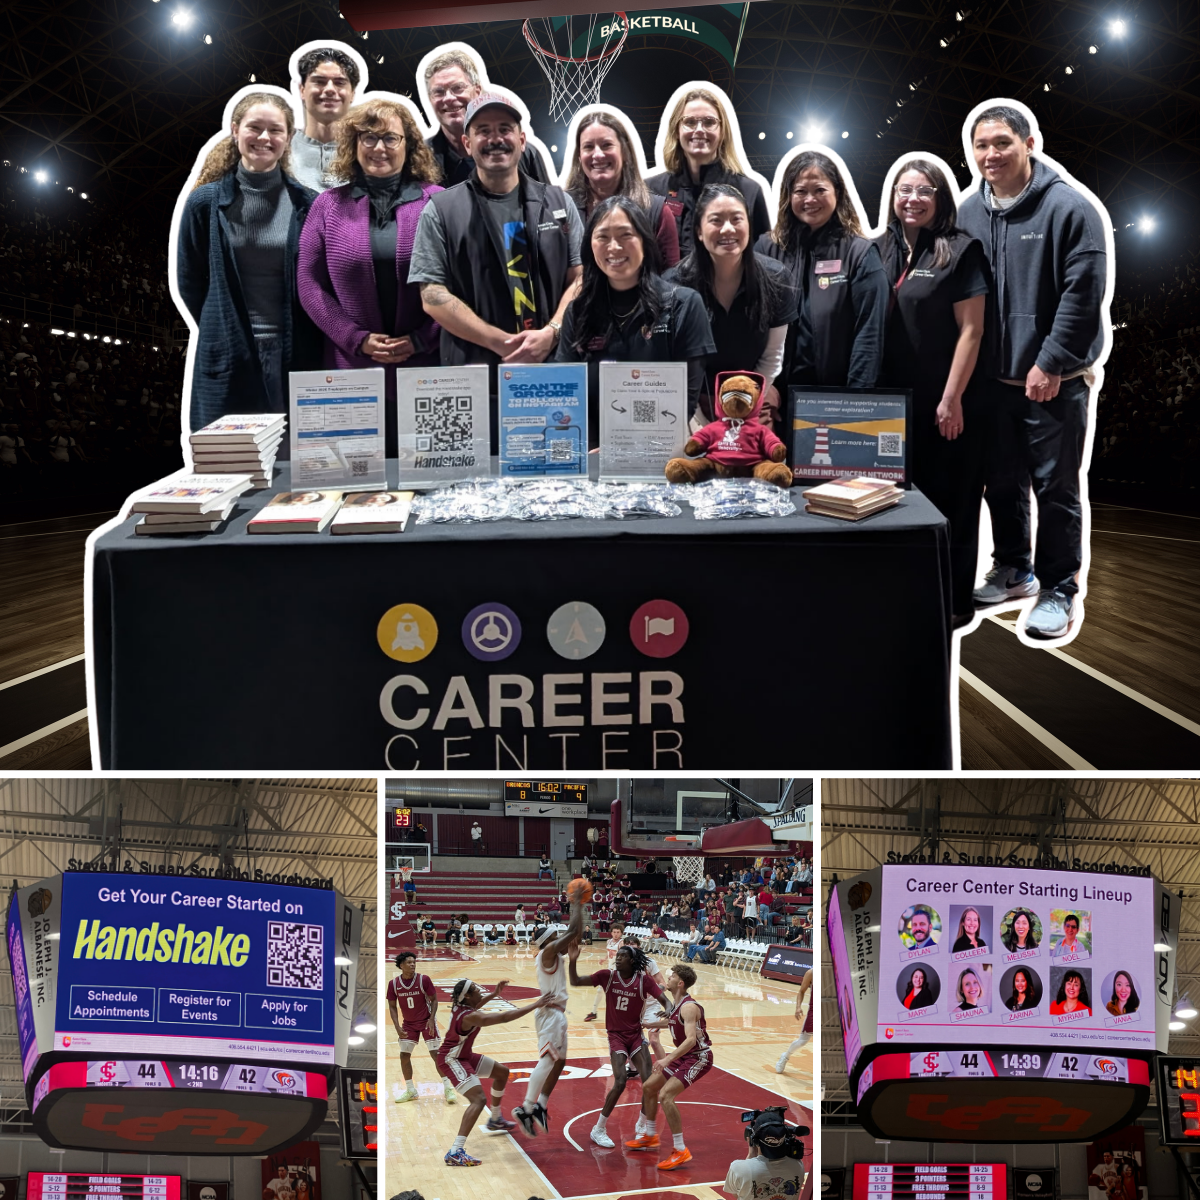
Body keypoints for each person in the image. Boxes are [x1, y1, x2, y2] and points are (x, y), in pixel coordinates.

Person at [959, 105, 1109, 639]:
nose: (990, 154)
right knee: (1001, 484)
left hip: (1054, 383)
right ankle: (1013, 569)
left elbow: (1082, 295)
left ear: (1029, 143)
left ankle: (1060, 588)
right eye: (981, 145)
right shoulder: (968, 212)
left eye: (1002, 142)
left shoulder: (1070, 208)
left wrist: (1051, 361)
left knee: (1056, 490)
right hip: (993, 383)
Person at [875, 158, 990, 623]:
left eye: (924, 191)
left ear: (940, 198)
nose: (913, 199)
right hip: (890, 407)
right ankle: (905, 600)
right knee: (895, 505)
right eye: (905, 190)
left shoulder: (961, 250)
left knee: (951, 504)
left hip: (946, 405)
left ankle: (953, 605)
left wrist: (951, 397)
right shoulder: (877, 249)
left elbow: (972, 331)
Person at [410, 91, 583, 395]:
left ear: (522, 140)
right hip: (474, 375)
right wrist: (501, 343)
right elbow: (432, 294)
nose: (495, 139)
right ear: (467, 143)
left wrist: (552, 332)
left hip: (553, 369)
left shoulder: (559, 203)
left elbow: (580, 277)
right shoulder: (440, 210)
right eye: (483, 131)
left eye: (505, 129)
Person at [297, 98, 442, 459]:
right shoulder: (327, 205)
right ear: (354, 143)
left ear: (408, 144)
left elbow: (461, 284)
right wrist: (355, 339)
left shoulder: (438, 202)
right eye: (369, 137)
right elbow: (309, 284)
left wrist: (423, 339)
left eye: (390, 138)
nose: (379, 148)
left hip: (428, 370)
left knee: (430, 474)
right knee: (357, 479)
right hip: (352, 371)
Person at [177, 92, 321, 432]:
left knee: (295, 457)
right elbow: (190, 281)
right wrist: (222, 324)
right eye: (254, 127)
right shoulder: (204, 203)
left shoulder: (309, 204)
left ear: (289, 138)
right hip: (230, 352)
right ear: (235, 130)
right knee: (230, 459)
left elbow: (318, 280)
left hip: (294, 353)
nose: (264, 137)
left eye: (276, 130)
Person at [665, 183, 797, 430]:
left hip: (752, 401)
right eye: (716, 220)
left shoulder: (777, 278)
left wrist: (746, 407)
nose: (728, 229)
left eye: (737, 219)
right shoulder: (674, 286)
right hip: (691, 407)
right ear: (699, 231)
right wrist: (697, 419)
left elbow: (772, 357)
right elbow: (672, 364)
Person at [757, 150, 888, 389]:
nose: (810, 199)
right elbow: (751, 326)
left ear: (837, 192)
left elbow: (869, 334)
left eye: (820, 190)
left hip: (835, 395)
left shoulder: (860, 253)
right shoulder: (766, 248)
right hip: (775, 394)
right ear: (788, 196)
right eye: (800, 191)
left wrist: (855, 399)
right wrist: (763, 387)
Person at [436, 978, 550, 1165]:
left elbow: (477, 1004)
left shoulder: (462, 1007)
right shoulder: (470, 1017)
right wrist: (536, 1004)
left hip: (464, 1055)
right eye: (475, 989)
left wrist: (494, 994)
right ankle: (455, 1151)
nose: (480, 990)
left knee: (502, 1073)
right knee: (479, 1100)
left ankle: (495, 1119)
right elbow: (504, 1018)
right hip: (452, 1059)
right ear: (468, 996)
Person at [647, 88, 770, 261]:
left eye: (709, 122)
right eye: (690, 122)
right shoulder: (651, 190)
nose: (699, 129)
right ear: (676, 130)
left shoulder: (749, 191)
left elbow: (762, 260)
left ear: (722, 131)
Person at [568, 939, 664, 1149]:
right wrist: (573, 961)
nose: (617, 959)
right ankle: (598, 1129)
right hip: (617, 1036)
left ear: (632, 961)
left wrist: (670, 1016)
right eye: (617, 955)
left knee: (650, 1083)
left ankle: (642, 1126)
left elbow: (665, 1001)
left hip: (636, 1035)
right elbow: (575, 981)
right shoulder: (608, 976)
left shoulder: (644, 981)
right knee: (620, 1082)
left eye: (622, 956)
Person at [564, 110, 680, 268]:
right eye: (588, 147)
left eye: (606, 145)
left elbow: (671, 277)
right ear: (579, 156)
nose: (597, 154)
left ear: (624, 151)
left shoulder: (657, 211)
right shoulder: (563, 209)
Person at [510, 898, 587, 1137]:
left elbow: (575, 935)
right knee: (547, 1061)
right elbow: (573, 932)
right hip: (550, 1014)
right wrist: (577, 903)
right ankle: (526, 1108)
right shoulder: (547, 952)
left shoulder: (555, 955)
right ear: (549, 941)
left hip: (557, 1013)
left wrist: (573, 960)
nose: (561, 939)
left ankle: (541, 1106)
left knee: (560, 1062)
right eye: (556, 937)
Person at [420, 50, 548, 188]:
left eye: (457, 88)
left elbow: (547, 200)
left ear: (477, 91)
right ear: (430, 99)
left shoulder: (524, 153)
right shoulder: (418, 159)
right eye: (438, 92)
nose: (448, 98)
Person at [629, 963, 712, 1170]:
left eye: (672, 976)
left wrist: (666, 1059)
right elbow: (673, 1022)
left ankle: (680, 1150)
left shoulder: (689, 1007)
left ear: (680, 983)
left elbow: (691, 1040)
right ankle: (650, 1135)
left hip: (698, 1057)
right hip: (684, 1056)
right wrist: (650, 1025)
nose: (668, 978)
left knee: (666, 1095)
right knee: (649, 1087)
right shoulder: (677, 1004)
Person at [389, 950, 458, 1103]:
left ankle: (448, 1088)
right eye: (409, 962)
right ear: (401, 965)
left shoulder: (423, 979)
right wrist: (397, 1026)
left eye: (414, 962)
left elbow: (434, 1000)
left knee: (435, 1054)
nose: (412, 965)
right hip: (408, 1024)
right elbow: (392, 1006)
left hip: (426, 1021)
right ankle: (411, 1090)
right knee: (404, 1055)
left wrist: (432, 1019)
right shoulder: (393, 984)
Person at [290, 47, 359, 192]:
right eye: (319, 81)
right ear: (302, 90)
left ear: (352, 94)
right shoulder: (280, 149)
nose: (330, 89)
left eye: (340, 82)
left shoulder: (368, 152)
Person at [724, 1108, 811, 1200]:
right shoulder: (798, 1165)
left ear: (754, 1140)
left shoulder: (738, 1168)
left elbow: (737, 1195)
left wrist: (751, 1154)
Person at [585, 919, 627, 1021]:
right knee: (601, 990)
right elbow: (609, 953)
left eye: (618, 932)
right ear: (611, 932)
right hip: (610, 968)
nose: (616, 934)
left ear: (621, 933)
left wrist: (616, 956)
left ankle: (619, 1014)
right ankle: (594, 1012)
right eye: (614, 932)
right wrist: (604, 959)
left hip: (618, 970)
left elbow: (624, 957)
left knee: (615, 993)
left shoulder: (621, 943)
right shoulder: (609, 941)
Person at [774, 966, 813, 1073]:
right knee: (802, 1041)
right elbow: (801, 991)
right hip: (814, 1012)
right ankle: (785, 1056)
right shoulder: (811, 973)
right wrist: (798, 1007)